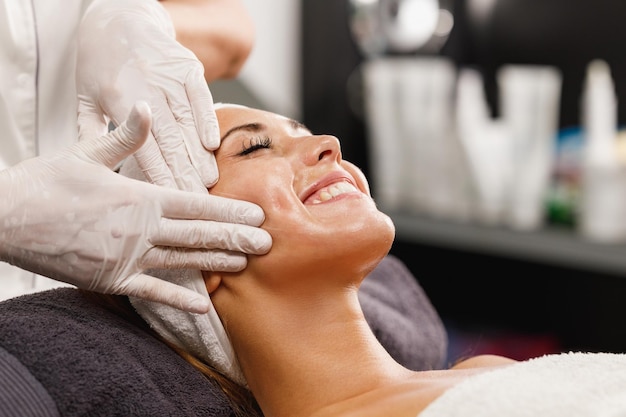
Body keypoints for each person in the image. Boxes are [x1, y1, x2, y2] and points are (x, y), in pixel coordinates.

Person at [130, 103, 626, 416]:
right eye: (256, 147)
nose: (329, 144)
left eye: (304, 130)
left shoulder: (487, 369)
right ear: (197, 253)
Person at [0, 0, 272, 312]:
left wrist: (141, 20)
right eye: (255, 146)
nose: (329, 147)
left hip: (91, 287)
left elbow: (233, 31)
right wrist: (7, 213)